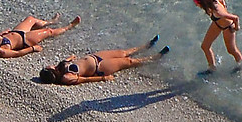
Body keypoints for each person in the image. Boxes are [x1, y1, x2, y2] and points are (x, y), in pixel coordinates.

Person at [37, 38, 168, 85]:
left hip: (95, 56)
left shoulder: (60, 67)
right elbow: (84, 79)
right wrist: (104, 78)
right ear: (52, 72)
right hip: (99, 67)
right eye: (47, 68)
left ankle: (146, 46)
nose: (48, 65)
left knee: (123, 52)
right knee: (128, 61)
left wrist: (71, 58)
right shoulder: (66, 77)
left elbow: (69, 60)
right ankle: (154, 58)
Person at [0, 15, 80, 58]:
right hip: (25, 40)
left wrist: (2, 33)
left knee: (30, 19)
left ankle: (51, 21)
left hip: (17, 32)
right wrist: (33, 48)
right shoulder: (1, 50)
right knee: (48, 31)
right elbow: (17, 53)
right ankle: (69, 26)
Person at [192, 0, 242, 71]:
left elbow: (235, 18)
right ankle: (212, 68)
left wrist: (236, 28)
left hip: (228, 27)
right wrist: (224, 8)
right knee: (205, 46)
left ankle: (241, 65)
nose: (197, 5)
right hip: (217, 24)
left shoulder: (218, 12)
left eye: (197, 3)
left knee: (231, 50)